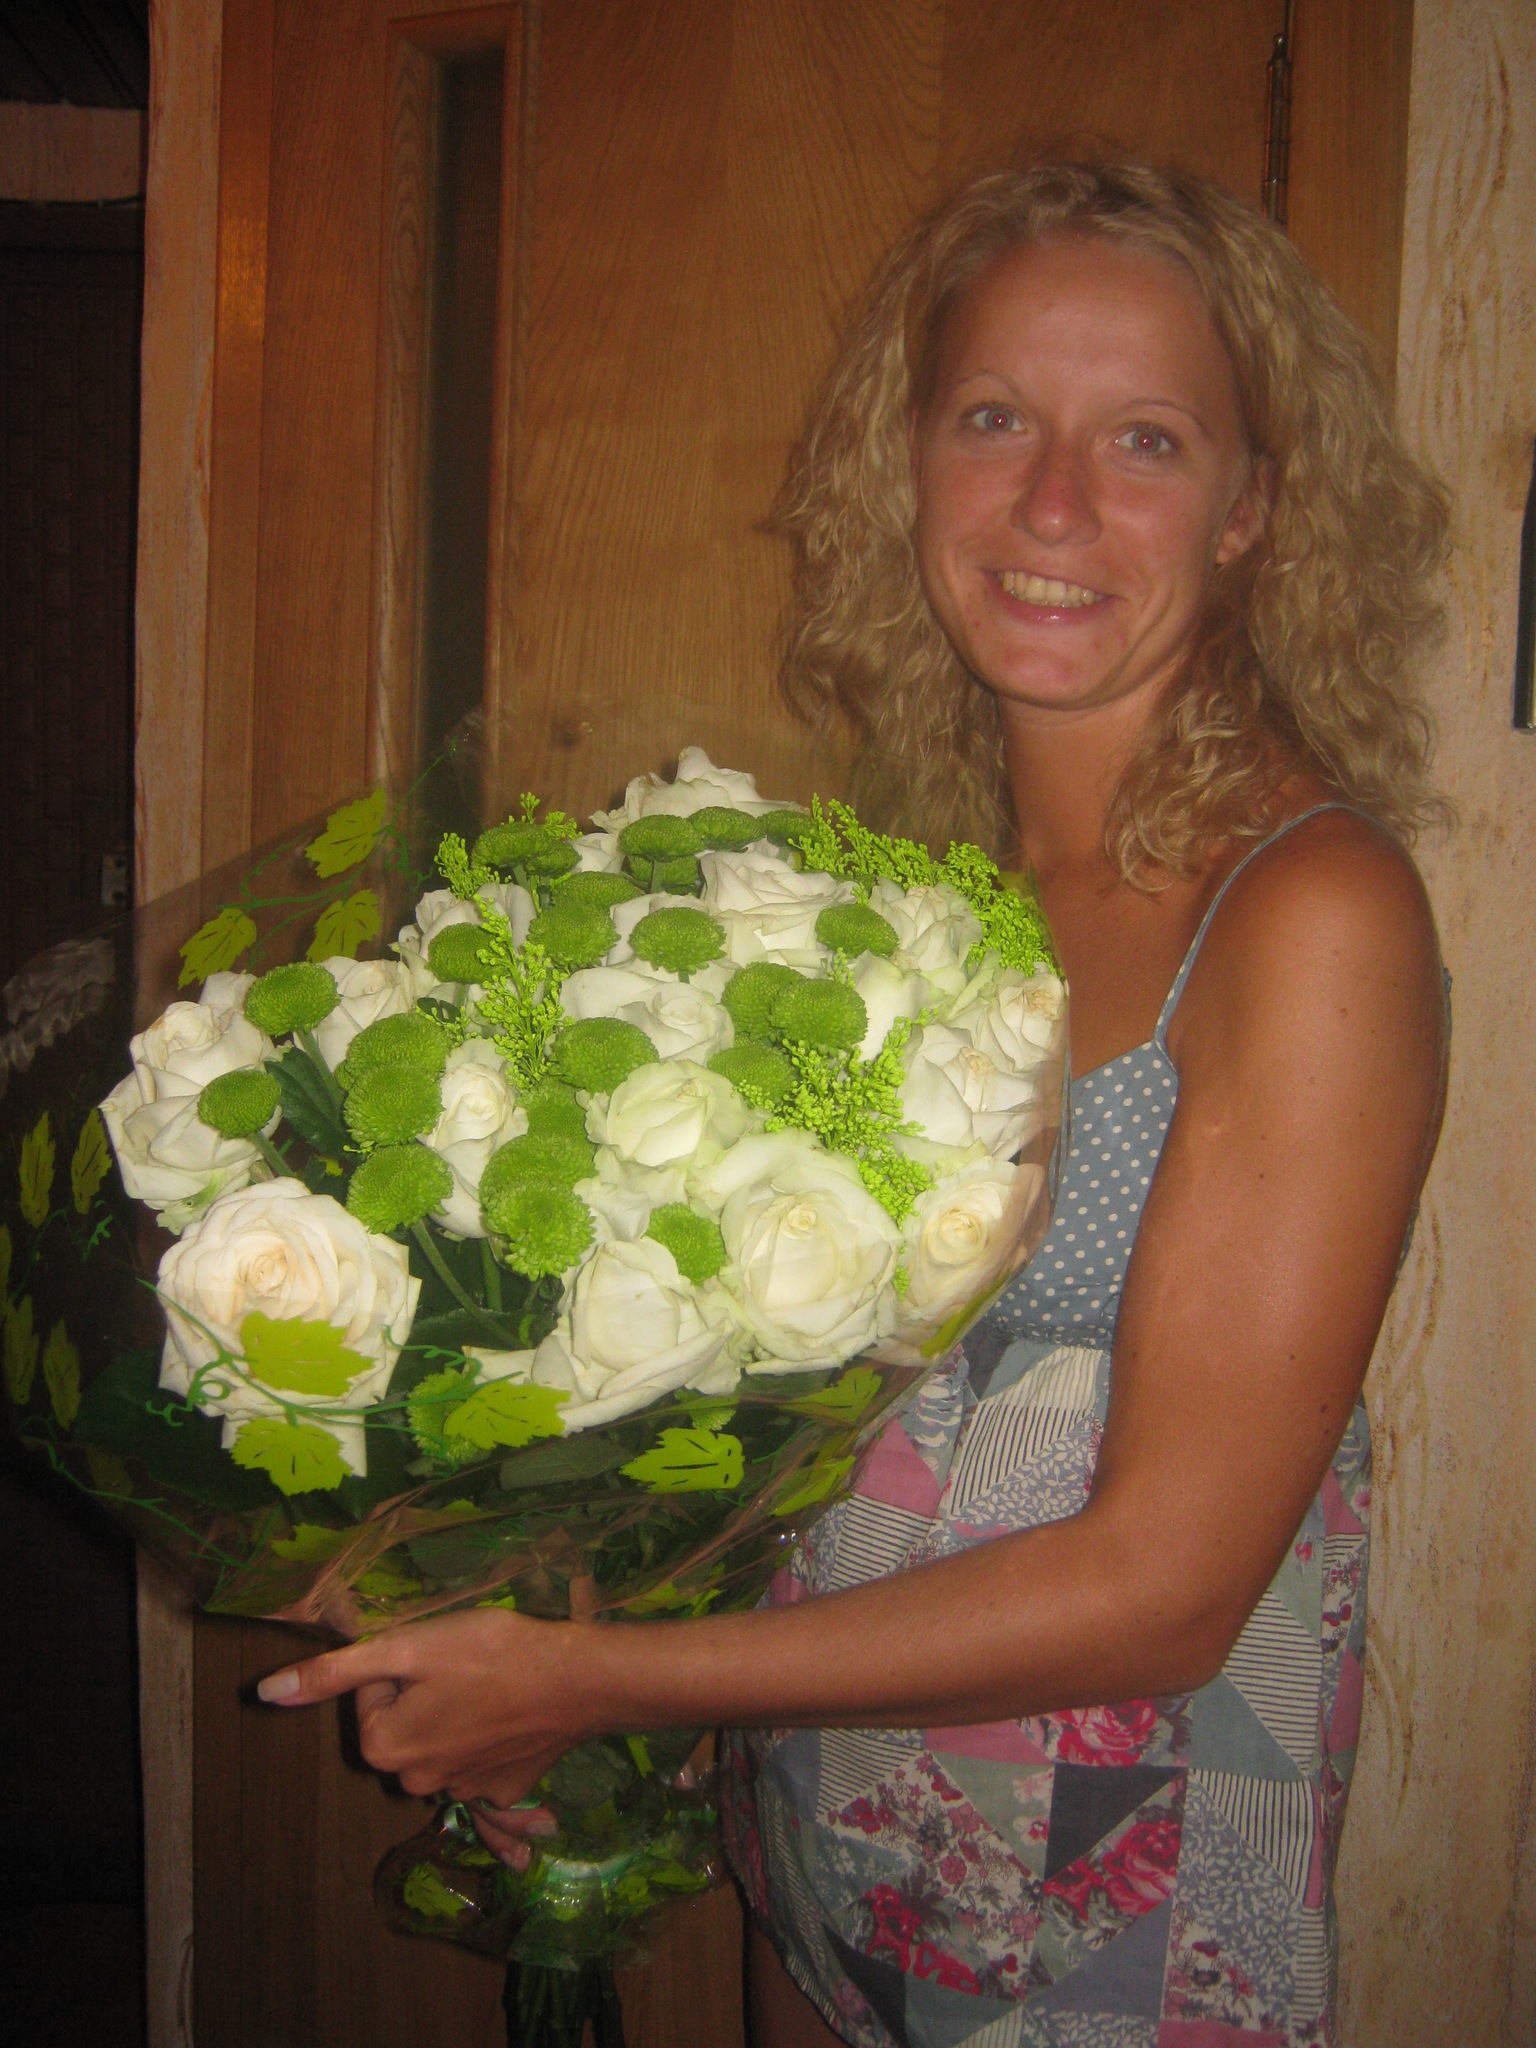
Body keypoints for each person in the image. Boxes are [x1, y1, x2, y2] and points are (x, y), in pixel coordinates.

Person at [257, 163, 1450, 2046]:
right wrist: (577, 1617)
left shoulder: (1306, 913)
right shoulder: (910, 898)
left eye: (1145, 440)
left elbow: (1170, 1592)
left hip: (1107, 1926)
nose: (1052, 505)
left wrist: (594, 1683)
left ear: (1254, 510)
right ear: (908, 466)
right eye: (993, 419)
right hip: (827, 1847)